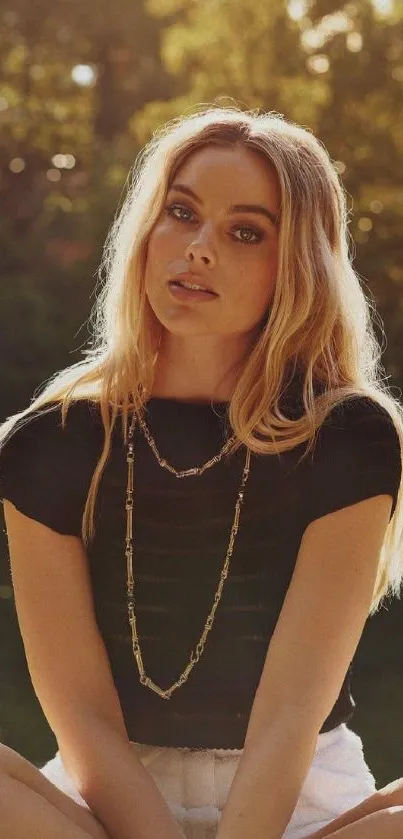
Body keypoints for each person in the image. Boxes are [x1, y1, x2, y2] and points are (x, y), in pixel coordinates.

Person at [0, 105, 403, 839]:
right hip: (104, 809)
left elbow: (288, 715)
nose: (198, 248)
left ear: (297, 265)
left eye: (244, 231)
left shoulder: (348, 437)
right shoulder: (46, 443)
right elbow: (83, 717)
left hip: (297, 801)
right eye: (180, 213)